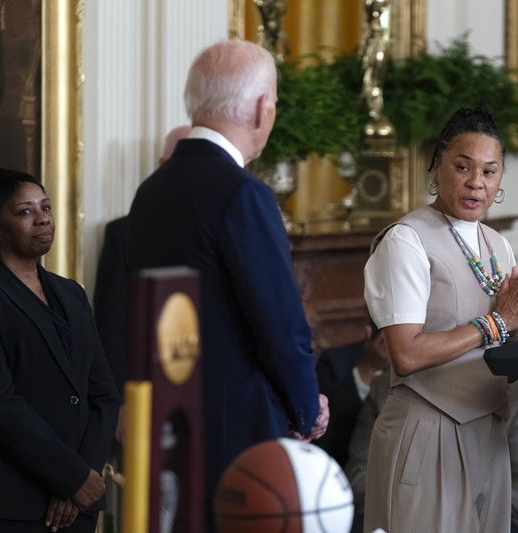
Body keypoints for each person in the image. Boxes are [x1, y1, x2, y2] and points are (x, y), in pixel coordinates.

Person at [126, 39, 328, 521]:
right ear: (263, 109)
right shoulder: (243, 194)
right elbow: (279, 324)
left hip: (170, 427)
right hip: (242, 435)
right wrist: (305, 408)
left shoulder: (150, 192)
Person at [363, 107, 518, 532]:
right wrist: (495, 323)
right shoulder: (407, 240)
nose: (476, 183)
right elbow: (406, 355)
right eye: (463, 167)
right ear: (437, 166)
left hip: (489, 431)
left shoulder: (497, 246)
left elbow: (502, 362)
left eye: (490, 172)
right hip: (425, 430)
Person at [0, 168, 119, 532]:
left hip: (78, 505)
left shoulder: (72, 293)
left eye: (45, 207)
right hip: (11, 504)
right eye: (25, 211)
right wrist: (69, 475)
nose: (43, 217)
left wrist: (82, 478)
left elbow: (104, 395)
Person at [345, 369, 518, 533]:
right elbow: (358, 475)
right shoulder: (386, 388)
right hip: (406, 513)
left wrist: (462, 508)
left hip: (493, 516)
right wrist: (423, 501)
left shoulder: (517, 396)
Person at [93, 124, 192, 438]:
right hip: (149, 393)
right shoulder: (123, 233)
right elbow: (111, 328)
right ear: (163, 166)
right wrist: (120, 402)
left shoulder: (227, 226)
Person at [315, 319, 389, 467]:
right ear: (369, 333)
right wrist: (368, 368)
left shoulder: (408, 369)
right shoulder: (332, 362)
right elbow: (328, 420)